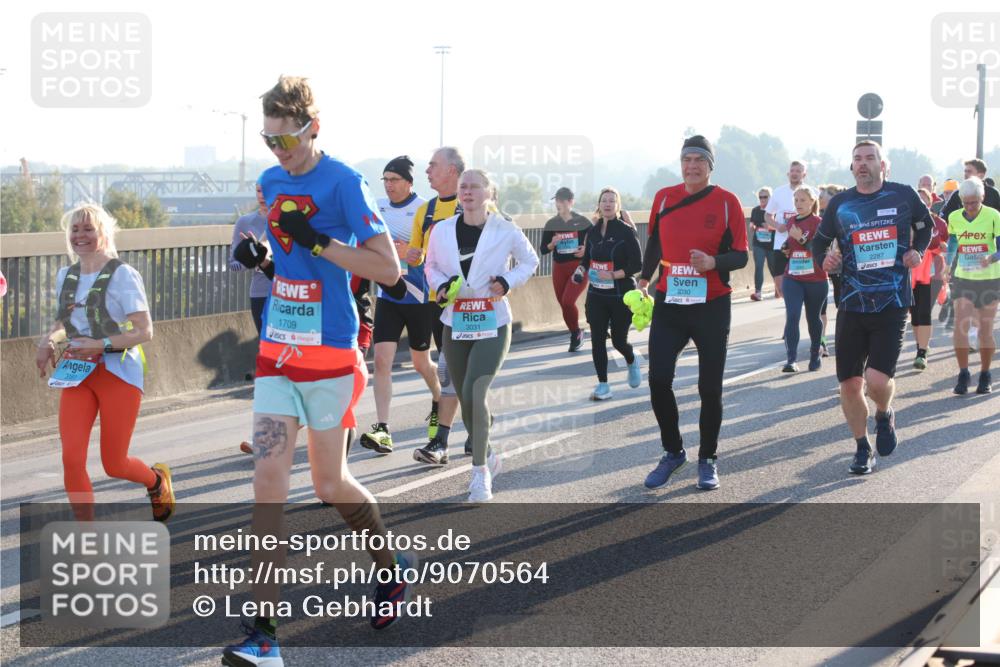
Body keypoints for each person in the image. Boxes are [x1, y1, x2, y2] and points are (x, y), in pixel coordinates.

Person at [222, 76, 414, 667]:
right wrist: (267, 258)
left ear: (314, 128)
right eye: (269, 140)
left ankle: (391, 566)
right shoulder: (269, 182)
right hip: (279, 352)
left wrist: (322, 243)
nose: (278, 152)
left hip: (330, 356)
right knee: (267, 487)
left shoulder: (346, 183)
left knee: (328, 486)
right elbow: (288, 256)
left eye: (287, 140)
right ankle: (264, 637)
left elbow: (386, 269)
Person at [35, 204, 174, 523]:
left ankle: (155, 481)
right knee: (71, 458)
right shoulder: (65, 275)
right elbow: (64, 320)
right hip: (77, 375)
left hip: (119, 373)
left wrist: (100, 344)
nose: (79, 236)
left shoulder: (123, 274)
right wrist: (47, 341)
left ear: (103, 234)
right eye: (74, 229)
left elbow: (144, 331)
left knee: (114, 463)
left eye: (88, 229)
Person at [812, 141, 932, 475]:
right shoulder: (840, 204)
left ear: (883, 165)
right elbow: (819, 242)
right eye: (857, 159)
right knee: (850, 384)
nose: (863, 164)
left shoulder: (903, 195)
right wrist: (826, 259)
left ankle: (885, 412)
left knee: (877, 382)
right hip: (852, 303)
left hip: (892, 303)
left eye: (870, 158)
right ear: (852, 167)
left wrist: (917, 251)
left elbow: (926, 226)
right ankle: (862, 447)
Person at [639, 135, 748, 492]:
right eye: (687, 159)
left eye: (699, 160)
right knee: (658, 380)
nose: (692, 166)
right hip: (670, 301)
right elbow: (653, 240)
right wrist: (644, 277)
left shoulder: (728, 202)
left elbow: (741, 256)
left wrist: (714, 262)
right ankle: (673, 452)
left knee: (709, 388)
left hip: (712, 304)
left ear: (710, 165)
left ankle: (708, 459)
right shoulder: (664, 197)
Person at [425, 168, 539, 501]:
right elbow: (431, 267)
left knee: (475, 390)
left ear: (489, 193)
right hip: (455, 321)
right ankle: (490, 452)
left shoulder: (505, 229)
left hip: (493, 321)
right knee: (465, 396)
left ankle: (480, 474)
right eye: (463, 187)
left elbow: (529, 262)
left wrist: (506, 282)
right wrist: (442, 286)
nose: (468, 192)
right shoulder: (442, 230)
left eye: (475, 186)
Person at [358, 156, 441, 456]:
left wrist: (414, 251)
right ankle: (383, 428)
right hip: (389, 296)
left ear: (409, 182)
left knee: (422, 363)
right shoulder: (377, 206)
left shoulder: (425, 208)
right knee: (381, 361)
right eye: (386, 180)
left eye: (395, 179)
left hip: (419, 297)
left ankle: (439, 400)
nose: (390, 185)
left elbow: (439, 248)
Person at [408, 147, 468, 463]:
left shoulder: (473, 205)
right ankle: (450, 439)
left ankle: (446, 439)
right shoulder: (426, 210)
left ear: (452, 171)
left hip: (473, 305)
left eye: (433, 165)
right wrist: (407, 254)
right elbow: (418, 255)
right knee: (450, 370)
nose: (427, 170)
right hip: (436, 302)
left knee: (459, 371)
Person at [572, 186, 642, 399]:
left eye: (612, 201)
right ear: (599, 205)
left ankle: (631, 360)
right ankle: (603, 385)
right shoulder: (592, 232)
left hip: (621, 295)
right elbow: (587, 260)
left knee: (619, 341)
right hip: (596, 296)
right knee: (597, 340)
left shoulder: (625, 231)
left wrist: (613, 275)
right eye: (604, 200)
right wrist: (581, 269)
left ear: (618, 206)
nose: (608, 204)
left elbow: (637, 264)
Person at [943, 177, 1000, 394]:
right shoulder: (955, 216)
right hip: (963, 276)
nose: (970, 207)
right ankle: (963, 372)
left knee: (985, 329)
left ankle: (985, 373)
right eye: (966, 202)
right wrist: (948, 264)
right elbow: (954, 241)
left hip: (990, 278)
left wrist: (992, 257)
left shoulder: (994, 216)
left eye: (974, 202)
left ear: (982, 198)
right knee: (960, 324)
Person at [779, 186, 828, 372]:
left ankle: (815, 354)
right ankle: (791, 359)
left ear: (812, 202)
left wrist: (800, 240)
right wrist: (786, 247)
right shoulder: (791, 221)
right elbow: (790, 245)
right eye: (796, 200)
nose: (798, 204)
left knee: (813, 317)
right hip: (792, 277)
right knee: (792, 315)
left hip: (815, 278)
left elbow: (819, 249)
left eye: (803, 200)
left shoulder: (819, 222)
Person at [540, 186, 592, 351]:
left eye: (562, 200)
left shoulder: (582, 221)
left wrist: (585, 249)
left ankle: (576, 333)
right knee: (563, 304)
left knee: (568, 301)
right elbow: (543, 249)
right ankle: (575, 333)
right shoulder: (551, 223)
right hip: (559, 268)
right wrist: (552, 243)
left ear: (571, 202)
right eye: (557, 200)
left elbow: (596, 241)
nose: (559, 204)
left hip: (579, 268)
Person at [910, 188, 949, 370]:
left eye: (924, 199)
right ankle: (921, 345)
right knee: (915, 314)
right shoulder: (905, 221)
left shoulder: (939, 223)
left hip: (931, 272)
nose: (921, 202)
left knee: (924, 312)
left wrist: (943, 246)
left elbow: (947, 243)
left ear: (930, 202)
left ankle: (922, 352)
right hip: (910, 272)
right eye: (917, 199)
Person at [766, 161, 815, 299]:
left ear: (804, 174)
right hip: (781, 245)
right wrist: (777, 225)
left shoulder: (812, 192)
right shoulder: (779, 192)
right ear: (788, 173)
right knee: (781, 288)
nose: (794, 173)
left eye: (798, 171)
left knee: (804, 287)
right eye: (792, 171)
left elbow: (818, 217)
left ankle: (798, 311)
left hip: (802, 246)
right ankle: (792, 310)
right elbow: (767, 215)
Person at [749, 187, 776, 301]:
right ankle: (758, 292)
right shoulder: (755, 210)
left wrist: (770, 227)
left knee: (773, 267)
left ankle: (778, 288)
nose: (762, 199)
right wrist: (753, 227)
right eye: (760, 197)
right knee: (759, 266)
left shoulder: (774, 211)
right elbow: (752, 223)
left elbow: (781, 227)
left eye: (765, 197)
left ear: (770, 198)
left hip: (771, 244)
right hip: (758, 243)